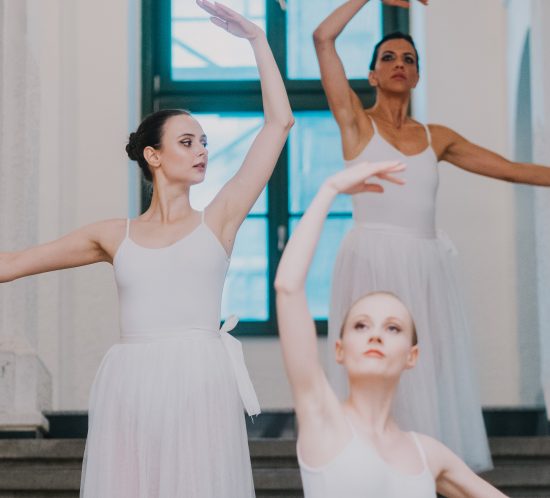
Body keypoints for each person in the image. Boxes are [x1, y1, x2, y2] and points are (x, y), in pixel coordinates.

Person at [0, 1, 293, 496]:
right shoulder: (114, 235)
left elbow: (279, 124)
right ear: (153, 156)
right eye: (187, 142)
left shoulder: (219, 219)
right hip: (131, 383)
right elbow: (11, 264)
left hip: (200, 381)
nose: (202, 150)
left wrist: (257, 40)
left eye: (204, 141)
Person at [313, 0, 550, 472]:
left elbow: (511, 169)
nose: (399, 64)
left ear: (417, 76)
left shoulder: (436, 136)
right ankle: (372, 467)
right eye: (388, 58)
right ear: (373, 75)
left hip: (426, 266)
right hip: (373, 259)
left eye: (409, 59)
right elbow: (322, 38)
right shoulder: (355, 122)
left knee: (427, 365)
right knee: (375, 360)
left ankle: (423, 467)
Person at [274, 160, 509, 497]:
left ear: (412, 355)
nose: (376, 335)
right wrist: (331, 189)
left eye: (393, 328)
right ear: (339, 349)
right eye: (361, 325)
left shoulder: (428, 454)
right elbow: (288, 287)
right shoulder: (322, 417)